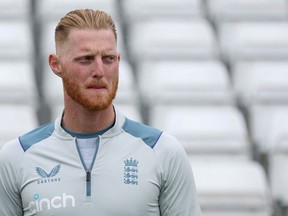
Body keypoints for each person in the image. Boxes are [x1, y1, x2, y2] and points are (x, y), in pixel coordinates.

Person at [0, 9, 201, 216]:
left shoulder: (163, 152)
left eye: (108, 58)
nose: (99, 71)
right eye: (86, 59)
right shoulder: (17, 157)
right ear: (55, 64)